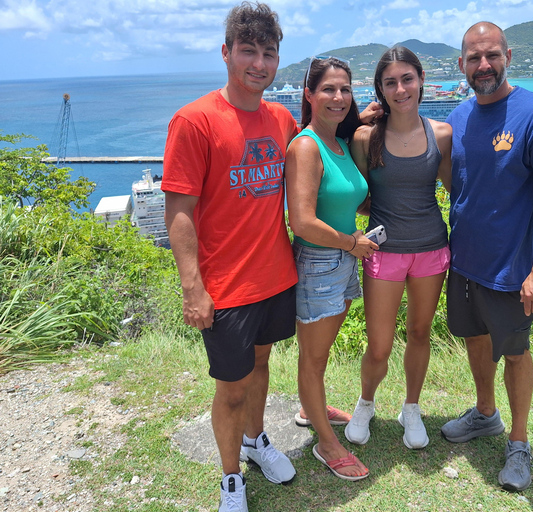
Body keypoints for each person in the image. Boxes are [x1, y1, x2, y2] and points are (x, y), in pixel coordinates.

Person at [162, 4, 299, 511]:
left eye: (268, 53)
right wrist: (192, 288)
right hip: (225, 287)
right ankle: (230, 478)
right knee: (232, 388)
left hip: (276, 275)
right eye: (248, 51)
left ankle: (255, 440)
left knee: (262, 369)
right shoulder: (194, 121)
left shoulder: (281, 118)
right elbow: (179, 211)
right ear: (226, 53)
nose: (258, 63)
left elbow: (319, 151)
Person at [441, 22, 533, 492]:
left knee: (516, 353)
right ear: (461, 64)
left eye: (492, 55)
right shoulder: (457, 118)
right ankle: (485, 414)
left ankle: (519, 442)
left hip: (513, 270)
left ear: (508, 57)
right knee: (476, 340)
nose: (483, 65)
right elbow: (451, 181)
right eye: (474, 58)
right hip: (463, 264)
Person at [344, 47, 452, 450]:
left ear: (421, 79)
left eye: (407, 79)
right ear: (380, 89)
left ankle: (411, 407)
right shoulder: (364, 137)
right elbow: (356, 193)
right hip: (382, 252)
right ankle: (366, 403)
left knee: (420, 333)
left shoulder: (441, 134)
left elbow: (456, 190)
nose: (400, 88)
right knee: (379, 344)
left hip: (430, 249)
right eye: (390, 82)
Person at [285, 56, 376, 481]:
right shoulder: (307, 146)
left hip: (342, 258)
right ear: (309, 94)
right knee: (313, 358)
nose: (338, 98)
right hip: (322, 260)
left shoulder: (338, 143)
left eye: (345, 89)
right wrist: (350, 242)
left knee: (318, 357)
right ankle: (325, 442)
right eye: (328, 90)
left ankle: (311, 409)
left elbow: (348, 198)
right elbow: (300, 221)